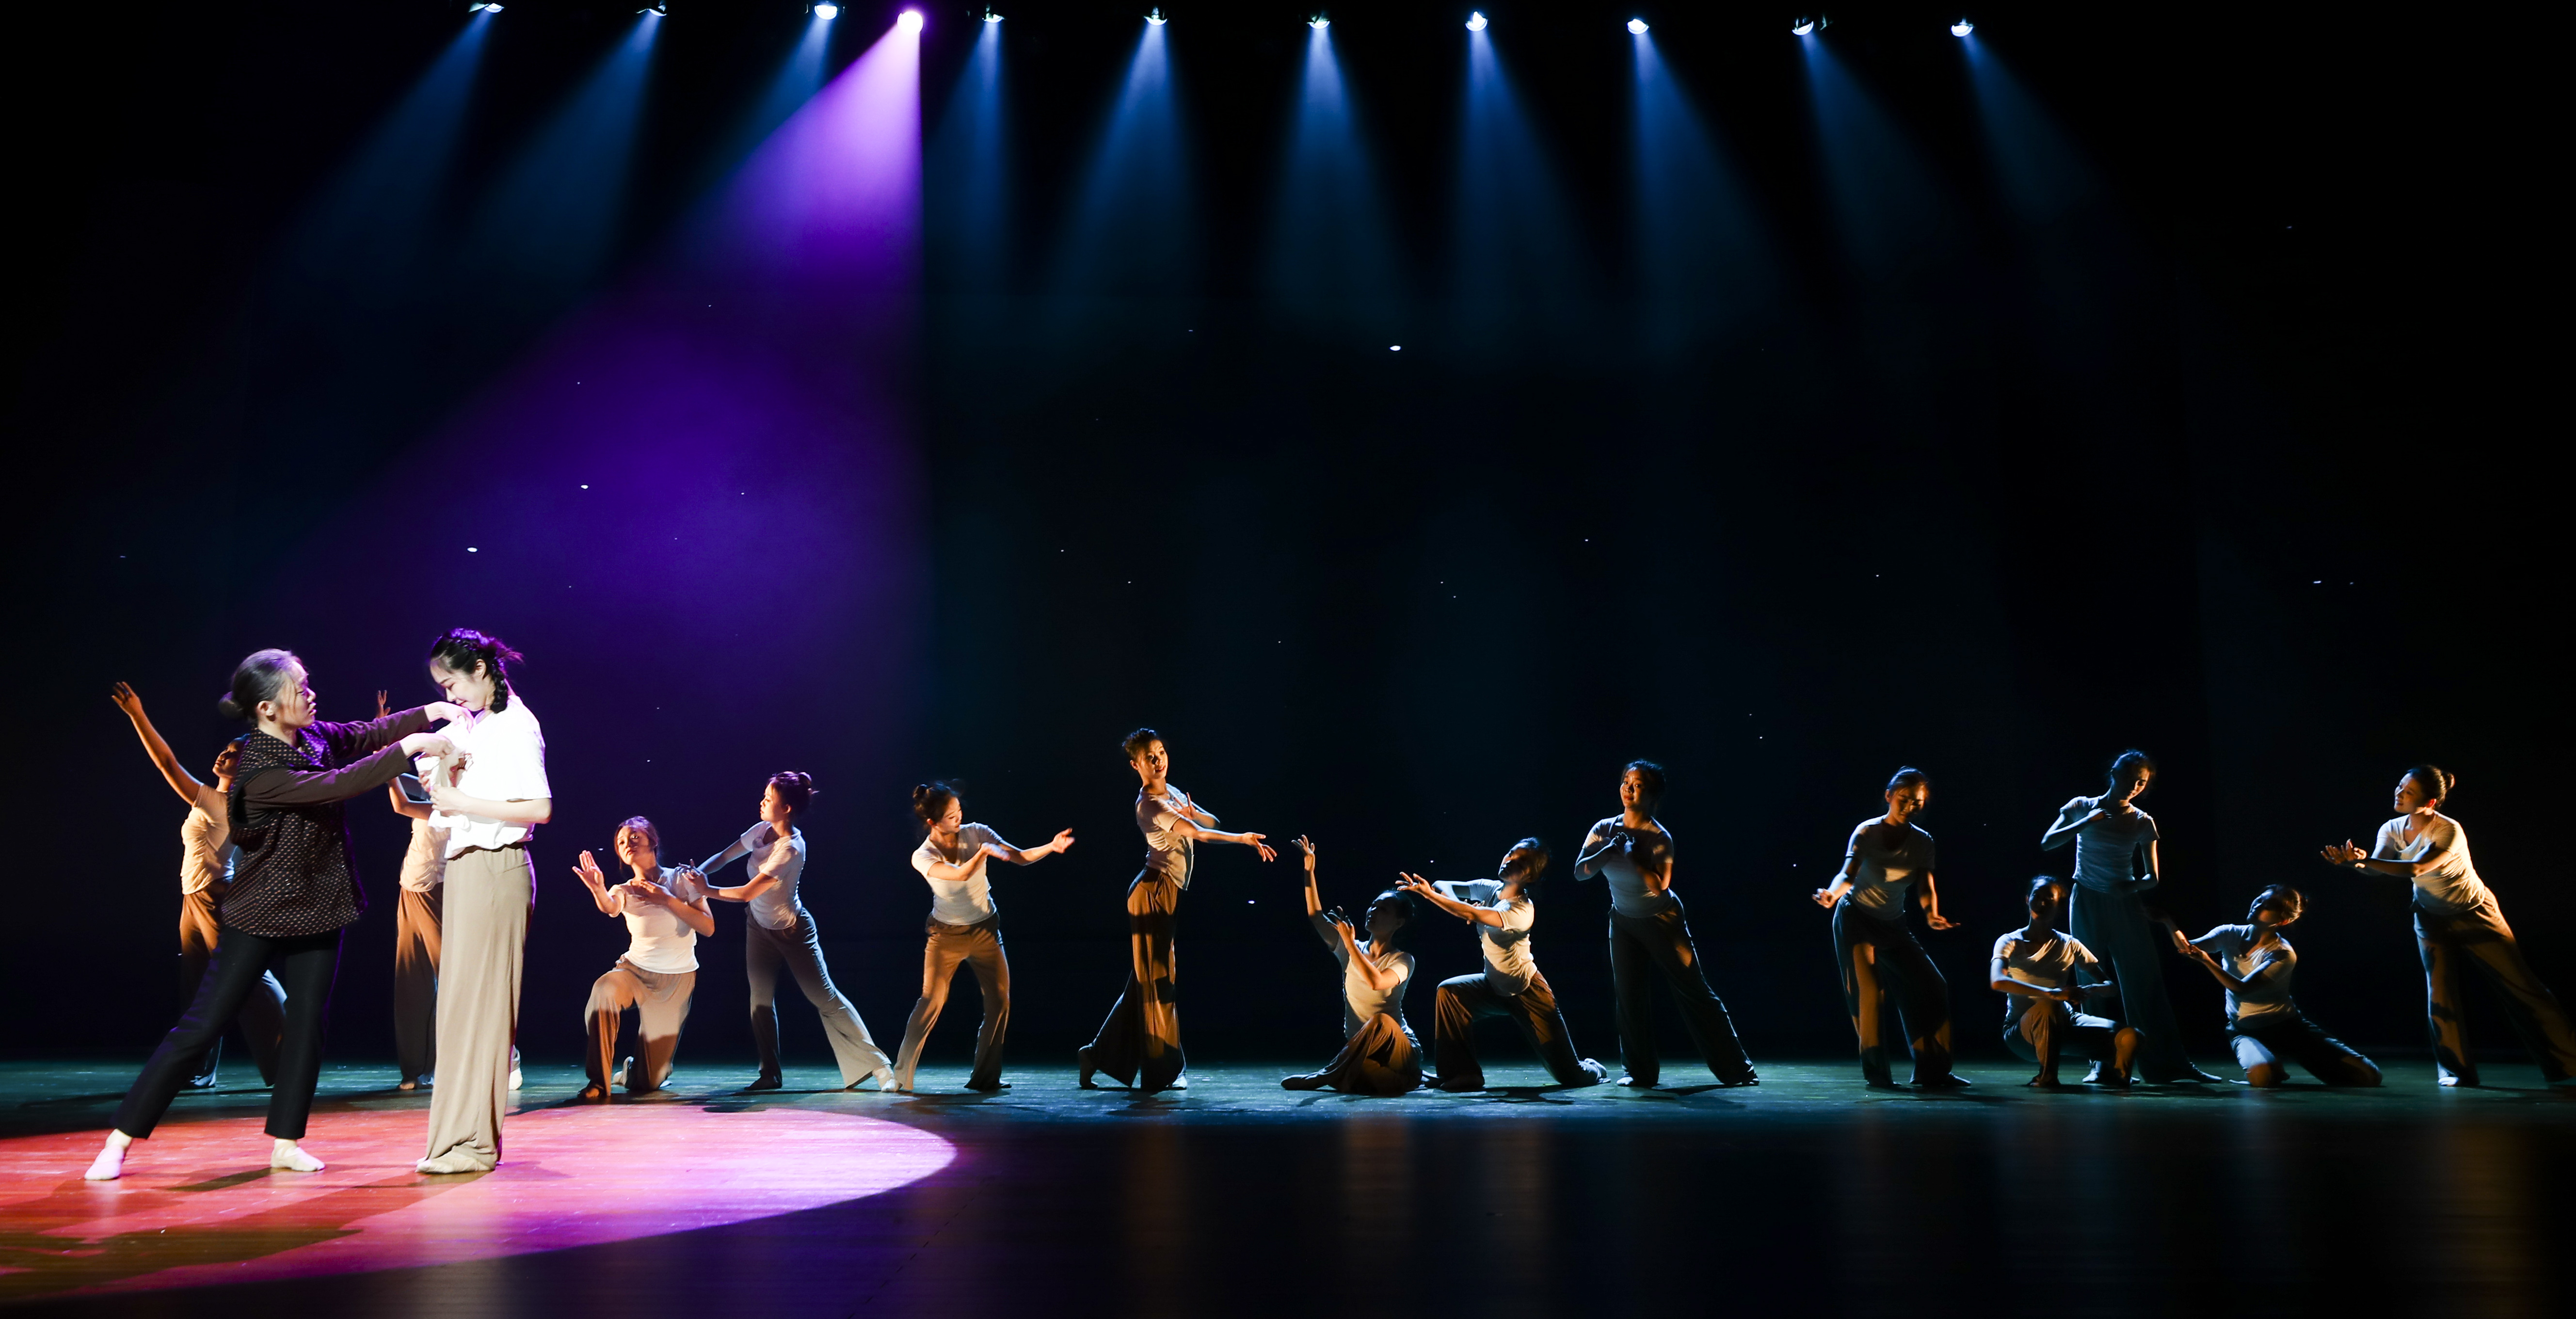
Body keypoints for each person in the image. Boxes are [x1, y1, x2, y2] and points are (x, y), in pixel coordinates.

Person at [87, 650, 456, 1181]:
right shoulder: (259, 768)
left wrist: (432, 711)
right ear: (266, 707)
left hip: (322, 904)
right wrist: (411, 746)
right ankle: (120, 1139)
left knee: (306, 1026)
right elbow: (338, 784)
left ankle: (286, 1141)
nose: (310, 694)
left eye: (307, 684)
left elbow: (363, 733)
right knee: (202, 1025)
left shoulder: (314, 737)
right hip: (260, 910)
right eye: (299, 689)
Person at [2322, 765, 2576, 1086]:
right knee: (2440, 994)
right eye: (2400, 786)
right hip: (2429, 916)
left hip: (2474, 913)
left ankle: (2568, 1064)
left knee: (2521, 988)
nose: (2399, 794)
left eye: (2409, 792)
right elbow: (2378, 867)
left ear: (2429, 803)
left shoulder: (2448, 830)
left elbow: (2417, 868)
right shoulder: (2392, 828)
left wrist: (2367, 861)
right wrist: (2357, 862)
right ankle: (2456, 1072)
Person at [416, 629, 551, 1174]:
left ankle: (474, 1145)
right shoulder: (473, 723)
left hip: (499, 868)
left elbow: (539, 807)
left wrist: (461, 798)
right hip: (467, 866)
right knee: (456, 1010)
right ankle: (450, 1141)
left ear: (479, 669)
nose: (449, 694)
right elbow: (432, 762)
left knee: (486, 1012)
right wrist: (439, 769)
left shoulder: (517, 724)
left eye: (452, 683)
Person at [111, 681, 287, 1091]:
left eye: (234, 754)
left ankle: (288, 1057)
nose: (224, 754)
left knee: (246, 978)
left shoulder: (221, 804)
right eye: (225, 748)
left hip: (213, 899)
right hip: (194, 898)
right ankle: (198, 1069)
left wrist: (138, 715)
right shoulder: (219, 801)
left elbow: (167, 764)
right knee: (198, 987)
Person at [1079, 729, 1277, 1093]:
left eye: (1161, 753)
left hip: (1166, 891)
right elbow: (1198, 835)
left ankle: (1096, 1055)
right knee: (1160, 983)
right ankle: (1163, 1069)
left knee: (1145, 983)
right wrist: (1243, 839)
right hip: (1153, 892)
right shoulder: (1150, 805)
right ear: (1136, 765)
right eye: (1149, 757)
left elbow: (1211, 824)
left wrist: (1194, 813)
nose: (1158, 761)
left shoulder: (1170, 792)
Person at [699, 771, 896, 1093]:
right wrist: (696, 874)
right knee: (760, 1001)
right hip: (758, 927)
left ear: (787, 808)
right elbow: (724, 857)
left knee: (825, 998)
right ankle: (770, 1074)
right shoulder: (761, 830)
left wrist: (705, 890)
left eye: (769, 799)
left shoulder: (792, 848)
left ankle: (880, 1066)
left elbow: (748, 893)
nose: (762, 802)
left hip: (793, 931)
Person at [1572, 761, 1757, 1088]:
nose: (1629, 789)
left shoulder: (1659, 837)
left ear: (1652, 795)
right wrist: (1608, 851)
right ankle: (1639, 1072)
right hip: (1623, 921)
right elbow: (1580, 872)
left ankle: (1738, 1070)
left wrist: (1634, 857)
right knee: (1629, 997)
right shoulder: (1603, 829)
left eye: (1638, 785)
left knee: (1694, 992)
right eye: (1625, 781)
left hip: (1663, 921)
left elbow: (1660, 885)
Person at [2040, 750, 2220, 1084]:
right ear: (2114, 773)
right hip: (2086, 898)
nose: (2135, 787)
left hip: (2125, 903)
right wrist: (2086, 822)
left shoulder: (2141, 821)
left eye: (2142, 782)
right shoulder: (2081, 805)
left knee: (2143, 980)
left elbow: (2152, 878)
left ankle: (2168, 1063)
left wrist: (2130, 886)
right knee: (2089, 979)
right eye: (2130, 778)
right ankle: (2100, 1064)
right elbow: (2048, 842)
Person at [891, 782, 1073, 1094]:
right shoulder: (922, 856)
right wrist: (984, 853)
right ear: (933, 822)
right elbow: (959, 875)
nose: (959, 818)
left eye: (959, 811)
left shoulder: (977, 832)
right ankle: (901, 1076)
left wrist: (1051, 847)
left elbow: (1020, 857)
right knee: (932, 1001)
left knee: (1000, 1001)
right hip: (945, 935)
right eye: (951, 816)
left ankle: (986, 1077)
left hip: (986, 930)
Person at [1400, 840, 1608, 1092]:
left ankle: (1595, 1069)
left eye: (1521, 862)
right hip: (1492, 986)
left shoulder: (1522, 910)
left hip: (1527, 991)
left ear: (1531, 876)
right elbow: (1443, 885)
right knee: (1450, 992)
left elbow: (1467, 913)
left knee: (1571, 1075)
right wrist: (1463, 904)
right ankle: (1463, 1074)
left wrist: (1455, 906)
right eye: (1511, 854)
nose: (1510, 861)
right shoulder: (1490, 889)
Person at [1813, 768, 1968, 1088]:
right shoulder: (1867, 832)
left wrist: (1931, 914)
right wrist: (1831, 894)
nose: (1910, 807)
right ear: (1889, 796)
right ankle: (1877, 1074)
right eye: (1904, 799)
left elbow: (1925, 885)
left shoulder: (1922, 841)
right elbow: (1848, 874)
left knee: (1933, 985)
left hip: (1893, 923)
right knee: (1870, 993)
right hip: (1855, 918)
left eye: (1917, 802)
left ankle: (1933, 1070)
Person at [2171, 884, 2381, 1088]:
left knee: (2369, 1077)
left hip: (2288, 1028)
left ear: (2284, 920)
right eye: (2260, 900)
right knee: (2264, 1079)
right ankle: (2272, 1066)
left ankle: (2298, 1056)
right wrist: (2167, 922)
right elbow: (2188, 948)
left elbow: (2242, 989)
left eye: (2268, 906)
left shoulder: (2283, 954)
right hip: (2245, 1030)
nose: (2258, 906)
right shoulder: (2229, 933)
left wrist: (2207, 961)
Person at [571, 818, 713, 1101]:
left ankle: (633, 1071)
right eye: (622, 842)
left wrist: (667, 899)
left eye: (635, 837)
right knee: (604, 991)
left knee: (648, 1083)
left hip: (676, 979)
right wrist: (598, 889)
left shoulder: (680, 879)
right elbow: (610, 906)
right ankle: (598, 1082)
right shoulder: (624, 890)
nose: (628, 844)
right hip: (634, 971)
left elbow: (708, 927)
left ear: (653, 841)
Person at [1283, 836, 1423, 1095]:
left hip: (1399, 1048)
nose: (1373, 911)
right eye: (1373, 905)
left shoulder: (1403, 959)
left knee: (1381, 1020)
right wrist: (1309, 870)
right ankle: (1406, 1079)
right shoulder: (1351, 949)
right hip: (1363, 1051)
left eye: (1383, 909)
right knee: (1366, 1078)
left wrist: (1349, 943)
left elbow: (1377, 982)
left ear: (1399, 923)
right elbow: (1316, 916)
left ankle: (1324, 1076)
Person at [1992, 876, 2137, 1087]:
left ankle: (2114, 1076)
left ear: (2059, 906)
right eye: (2037, 896)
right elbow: (1998, 981)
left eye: (2049, 899)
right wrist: (2052, 994)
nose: (2041, 903)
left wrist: (2091, 990)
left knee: (2130, 1036)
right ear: (2027, 899)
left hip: (2064, 1023)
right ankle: (2047, 1077)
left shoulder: (2069, 944)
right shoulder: (2010, 941)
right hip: (2021, 1034)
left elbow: (2111, 987)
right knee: (2049, 1006)